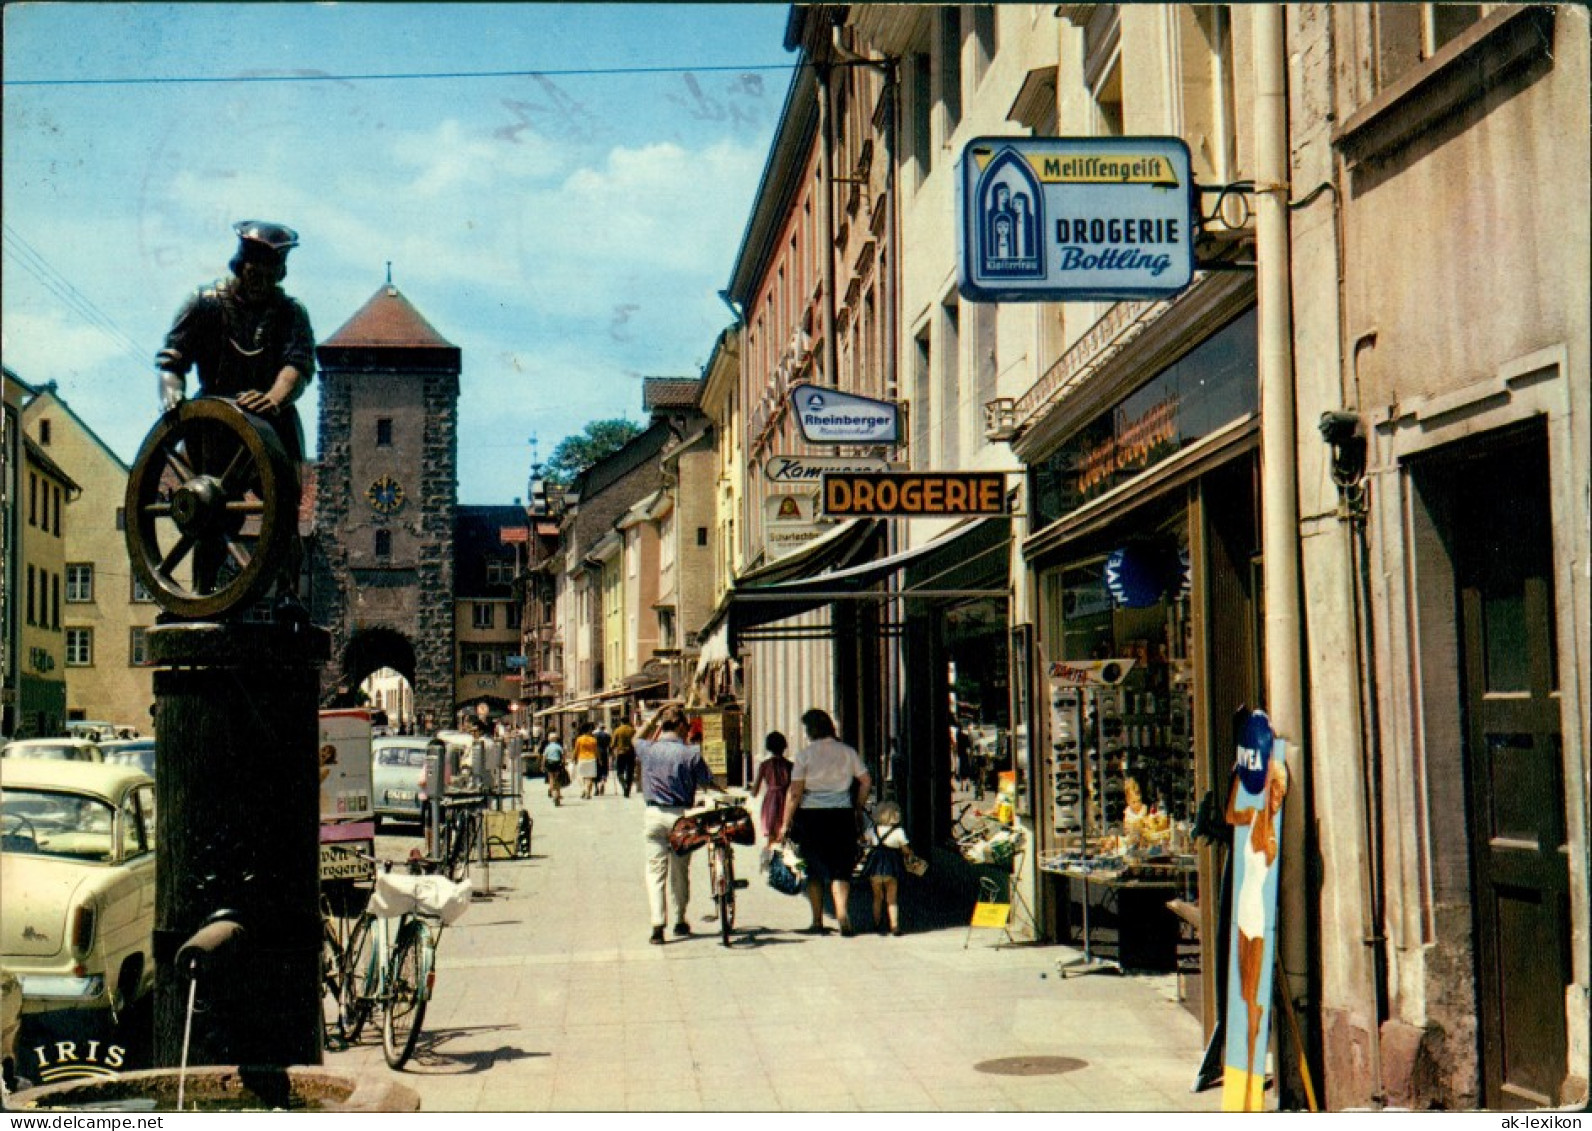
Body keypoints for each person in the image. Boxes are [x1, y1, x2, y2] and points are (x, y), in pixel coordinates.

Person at [155, 220, 316, 602]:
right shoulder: (205, 303)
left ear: (281, 273)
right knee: (210, 510)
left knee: (284, 513)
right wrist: (172, 394)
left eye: (270, 272)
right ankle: (202, 596)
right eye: (253, 270)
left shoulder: (291, 314)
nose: (260, 279)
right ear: (239, 266)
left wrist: (275, 397)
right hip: (216, 426)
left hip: (273, 426)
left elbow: (298, 364)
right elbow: (172, 358)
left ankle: (288, 597)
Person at [1227, 756, 1289, 1103]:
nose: (1274, 797)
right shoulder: (1251, 820)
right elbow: (1229, 816)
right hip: (1244, 911)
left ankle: (1252, 1080)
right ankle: (1245, 1075)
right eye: (1271, 789)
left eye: (1277, 791)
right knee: (1244, 995)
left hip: (1260, 915)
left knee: (1255, 1001)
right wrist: (1239, 777)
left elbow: (1268, 861)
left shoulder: (1272, 835)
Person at [777, 708, 871, 937]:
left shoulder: (805, 755)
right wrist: (857, 807)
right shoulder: (847, 752)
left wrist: (785, 823)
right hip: (841, 815)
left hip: (812, 818)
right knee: (841, 869)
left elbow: (795, 793)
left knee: (814, 869)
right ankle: (841, 914)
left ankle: (817, 921)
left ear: (811, 730)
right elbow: (865, 781)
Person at [636, 704, 714, 945]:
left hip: (653, 815)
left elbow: (635, 737)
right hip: (681, 816)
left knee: (655, 871)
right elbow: (707, 782)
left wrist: (654, 719)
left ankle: (657, 925)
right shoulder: (691, 753)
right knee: (680, 871)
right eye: (687, 725)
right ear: (681, 725)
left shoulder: (648, 749)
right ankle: (680, 920)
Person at [860, 800, 918, 936]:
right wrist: (911, 856)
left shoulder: (872, 830)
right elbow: (906, 850)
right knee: (892, 898)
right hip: (892, 867)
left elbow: (863, 840)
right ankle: (894, 926)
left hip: (875, 866)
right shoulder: (899, 832)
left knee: (877, 897)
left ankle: (876, 924)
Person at [749, 731, 793, 851]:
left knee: (771, 836)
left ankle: (771, 862)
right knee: (786, 837)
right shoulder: (790, 765)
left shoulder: (764, 765)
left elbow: (754, 791)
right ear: (784, 746)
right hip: (786, 800)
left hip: (771, 801)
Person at [570, 721, 599, 799]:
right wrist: (599, 759)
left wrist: (573, 758)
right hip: (592, 759)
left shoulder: (579, 739)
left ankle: (583, 789)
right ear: (589, 730)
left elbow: (576, 750)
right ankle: (588, 793)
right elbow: (596, 751)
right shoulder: (593, 740)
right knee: (590, 777)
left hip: (581, 759)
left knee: (581, 776)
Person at [611, 716, 637, 798]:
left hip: (621, 753)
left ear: (621, 722)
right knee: (630, 772)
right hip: (631, 753)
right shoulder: (633, 730)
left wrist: (611, 750)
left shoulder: (617, 730)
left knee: (619, 772)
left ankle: (624, 785)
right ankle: (628, 789)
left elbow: (613, 743)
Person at [542, 729, 566, 807]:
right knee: (557, 779)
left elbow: (544, 757)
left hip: (549, 763)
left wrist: (542, 765)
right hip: (557, 763)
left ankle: (553, 793)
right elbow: (563, 755)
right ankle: (558, 794)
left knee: (551, 779)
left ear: (549, 739)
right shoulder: (558, 746)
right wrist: (563, 763)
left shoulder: (548, 747)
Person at [594, 723, 612, 796]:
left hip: (596, 753)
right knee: (604, 769)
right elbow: (610, 746)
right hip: (604, 753)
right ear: (604, 728)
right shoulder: (607, 735)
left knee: (596, 770)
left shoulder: (595, 735)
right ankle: (602, 783)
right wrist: (611, 753)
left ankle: (596, 788)